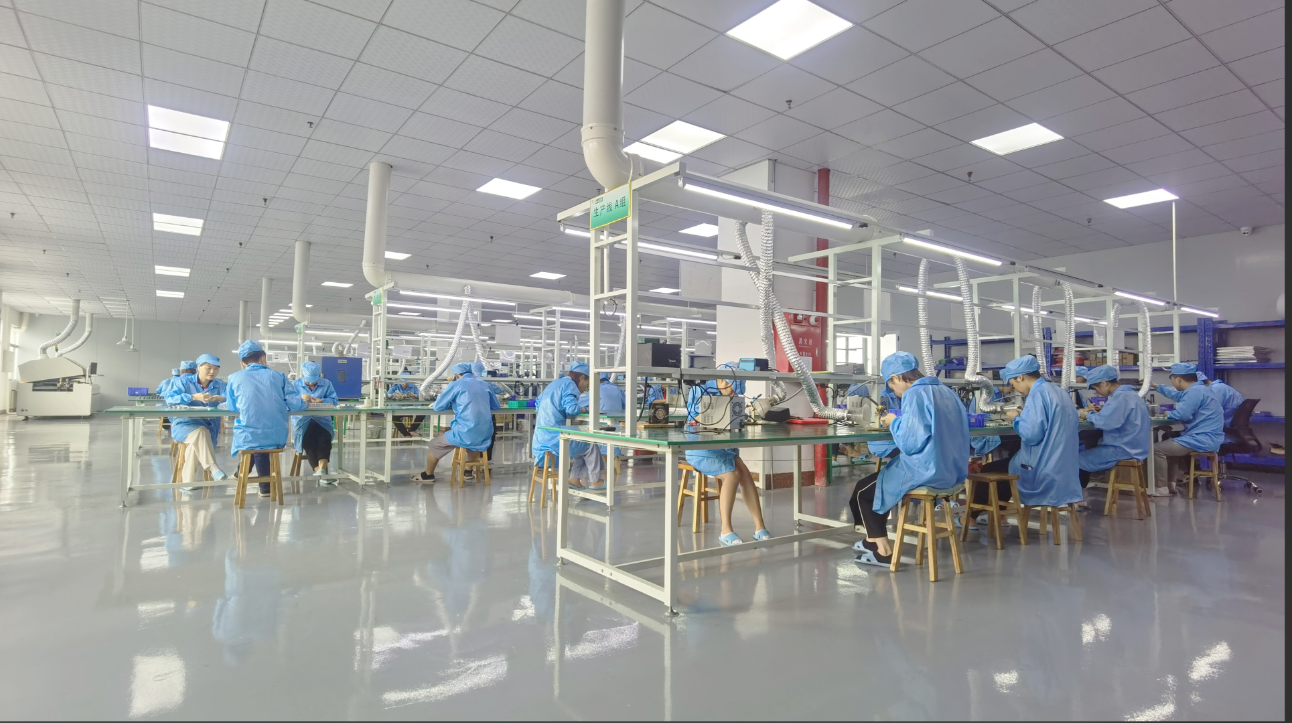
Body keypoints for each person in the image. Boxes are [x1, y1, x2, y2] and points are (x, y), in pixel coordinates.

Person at [849, 352, 969, 566]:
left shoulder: (914, 394)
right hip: (952, 469)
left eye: (891, 385)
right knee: (875, 485)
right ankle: (871, 541)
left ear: (895, 377)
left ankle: (883, 551)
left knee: (863, 492)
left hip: (926, 470)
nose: (895, 391)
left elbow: (911, 443)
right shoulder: (946, 391)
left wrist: (894, 422)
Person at [684, 362, 770, 546]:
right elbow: (694, 419)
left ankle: (759, 527)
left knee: (745, 473)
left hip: (724, 447)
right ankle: (725, 530)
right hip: (700, 449)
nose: (733, 393)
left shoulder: (731, 394)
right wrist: (717, 416)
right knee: (732, 475)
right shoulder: (700, 390)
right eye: (732, 388)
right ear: (722, 380)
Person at [998, 355, 1082, 510]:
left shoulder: (1037, 394)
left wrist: (1015, 418)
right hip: (1065, 468)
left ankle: (989, 517)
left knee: (993, 469)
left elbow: (1031, 435)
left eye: (1013, 384)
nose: (1015, 389)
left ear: (1020, 377)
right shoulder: (1059, 391)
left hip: (1044, 468)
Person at [226, 340, 307, 497]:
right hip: (275, 436)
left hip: (248, 436)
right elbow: (296, 405)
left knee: (253, 441)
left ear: (242, 363)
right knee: (261, 442)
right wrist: (305, 403)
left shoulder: (234, 378)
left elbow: (232, 407)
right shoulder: (279, 377)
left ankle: (250, 477)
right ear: (263, 357)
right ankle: (264, 486)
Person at [411, 362, 499, 483]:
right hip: (485, 432)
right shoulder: (484, 384)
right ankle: (468, 472)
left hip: (465, 432)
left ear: (457, 375)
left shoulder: (457, 384)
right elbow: (496, 406)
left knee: (434, 444)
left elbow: (438, 407)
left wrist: (451, 403)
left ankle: (428, 474)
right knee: (473, 444)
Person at [1151, 362, 1224, 496]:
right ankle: (1170, 485)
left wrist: (1169, 414)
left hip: (1201, 439)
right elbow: (1176, 395)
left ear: (1178, 379)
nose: (1172, 383)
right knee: (1170, 442)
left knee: (1156, 449)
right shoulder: (1200, 389)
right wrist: (1156, 386)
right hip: (1209, 438)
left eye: (1172, 380)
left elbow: (1183, 414)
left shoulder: (1194, 392)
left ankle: (1161, 488)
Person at [1076, 365, 1151, 489]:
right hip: (1134, 447)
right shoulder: (1131, 394)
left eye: (1096, 389)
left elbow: (1104, 422)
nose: (1097, 393)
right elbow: (1114, 417)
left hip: (1122, 449)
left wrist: (1087, 415)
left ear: (1104, 383)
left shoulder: (1120, 397)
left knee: (1074, 460)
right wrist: (1103, 412)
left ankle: (1075, 496)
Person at [531, 362, 602, 490]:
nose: (585, 389)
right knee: (590, 443)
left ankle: (575, 479)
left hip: (541, 437)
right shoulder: (570, 385)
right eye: (586, 384)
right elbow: (572, 409)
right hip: (554, 439)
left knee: (580, 442)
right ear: (581, 378)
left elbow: (538, 403)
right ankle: (595, 480)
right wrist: (587, 409)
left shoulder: (555, 383)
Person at [164, 354, 229, 485]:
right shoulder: (184, 382)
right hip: (184, 424)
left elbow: (231, 398)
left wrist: (221, 398)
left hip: (210, 425)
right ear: (198, 367)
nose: (213, 371)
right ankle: (213, 467)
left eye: (216, 368)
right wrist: (193, 397)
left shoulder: (219, 384)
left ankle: (188, 483)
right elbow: (170, 399)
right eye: (208, 368)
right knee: (200, 433)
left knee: (199, 437)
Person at [291, 361, 339, 483]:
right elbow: (289, 402)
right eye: (309, 381)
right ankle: (320, 471)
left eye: (314, 380)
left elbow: (334, 400)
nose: (311, 383)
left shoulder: (326, 384)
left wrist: (321, 401)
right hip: (302, 421)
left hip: (322, 420)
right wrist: (300, 400)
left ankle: (321, 471)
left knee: (325, 439)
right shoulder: (295, 385)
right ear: (303, 375)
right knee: (309, 440)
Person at [1158, 371, 1245, 428]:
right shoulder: (1217, 388)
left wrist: (1176, 413)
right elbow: (1180, 395)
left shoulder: (1215, 390)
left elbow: (1201, 414)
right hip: (1227, 428)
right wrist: (1156, 386)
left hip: (1222, 431)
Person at [388, 372, 423, 437]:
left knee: (422, 414)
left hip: (409, 408)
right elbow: (388, 395)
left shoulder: (413, 386)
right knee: (394, 417)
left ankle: (412, 430)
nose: (405, 384)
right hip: (398, 408)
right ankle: (406, 434)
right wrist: (396, 396)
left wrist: (415, 395)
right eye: (403, 383)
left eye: (406, 383)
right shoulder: (395, 386)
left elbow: (420, 396)